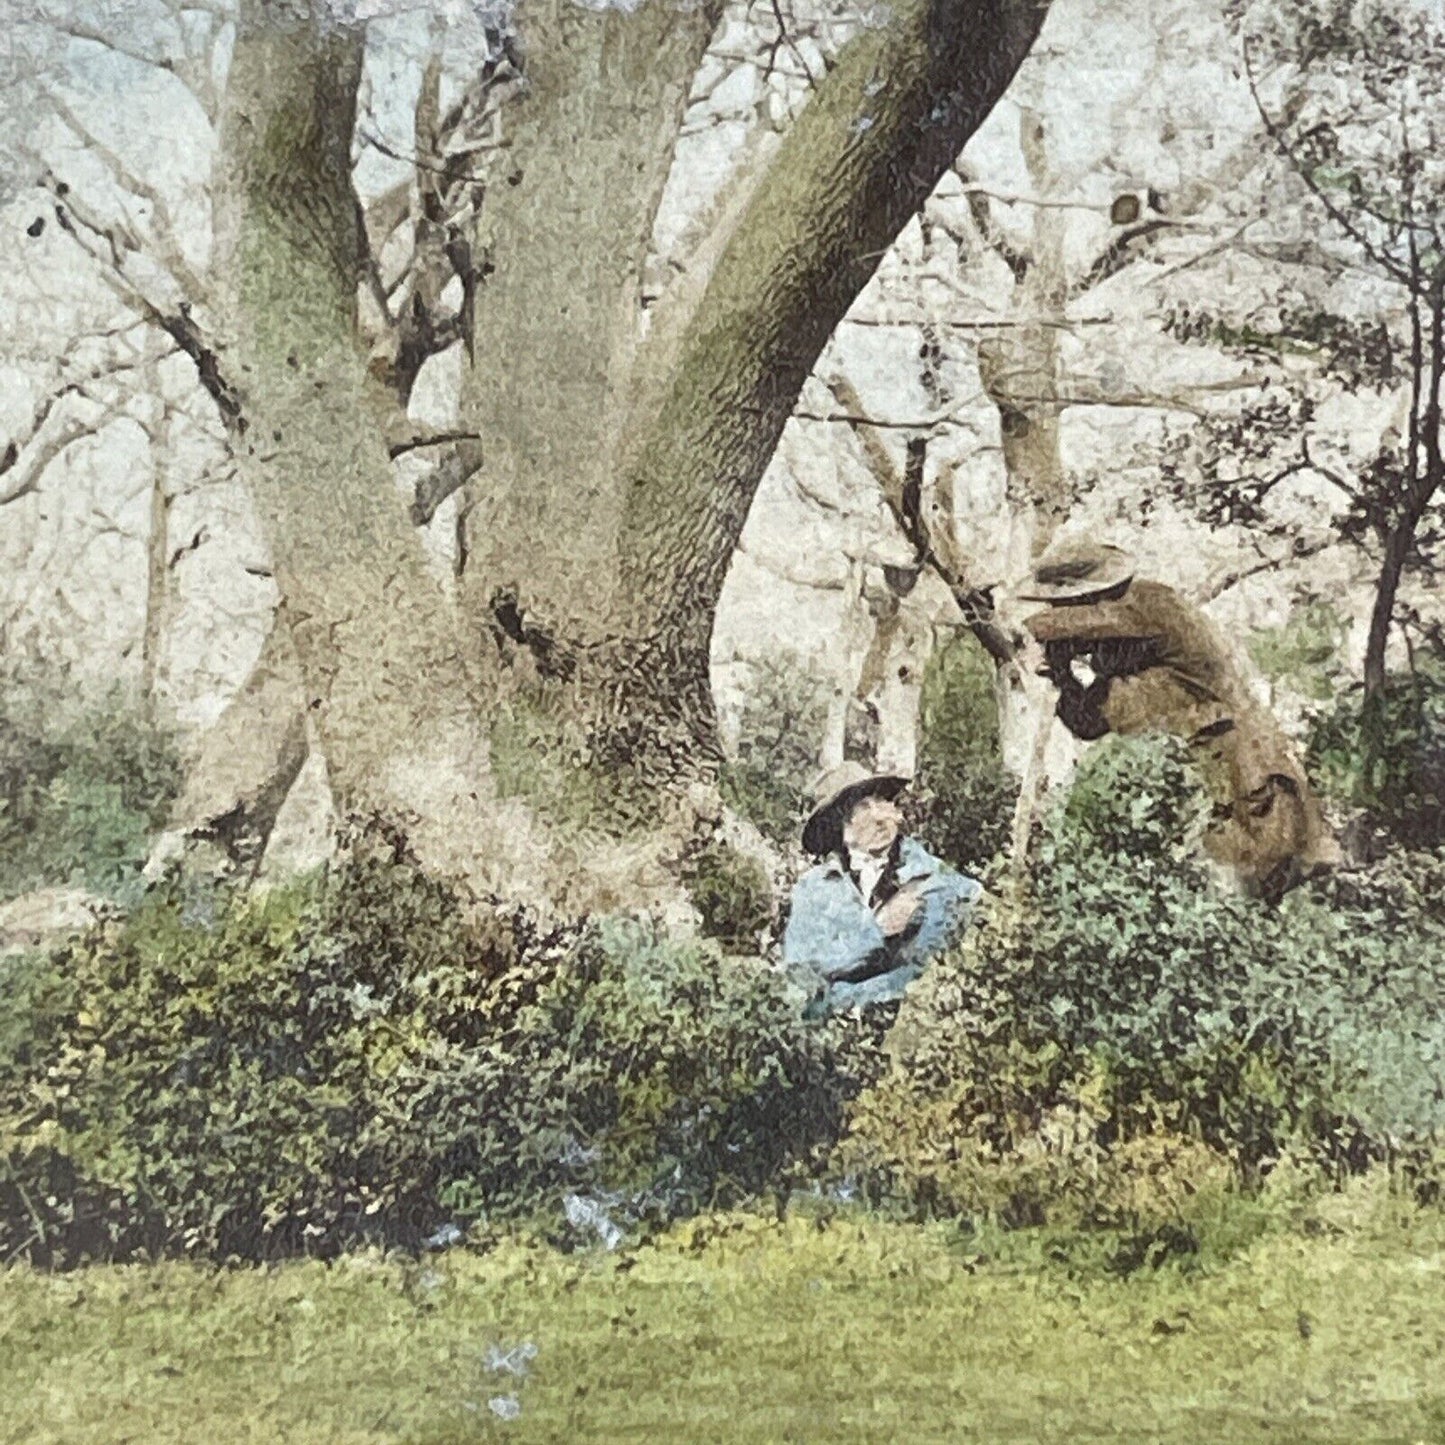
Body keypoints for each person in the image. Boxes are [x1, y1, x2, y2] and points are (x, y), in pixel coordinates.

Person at [1018, 537, 1340, 900]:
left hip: (1253, 787)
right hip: (1222, 793)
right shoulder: (1145, 670)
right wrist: (1060, 674)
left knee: (1259, 897)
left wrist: (1008, 627)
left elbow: (1058, 627)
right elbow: (1087, 721)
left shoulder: (1151, 606)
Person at [782, 761, 982, 1018]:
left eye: (883, 802)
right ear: (838, 826)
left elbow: (927, 971)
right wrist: (877, 930)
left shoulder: (931, 878)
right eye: (861, 807)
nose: (878, 817)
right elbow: (801, 970)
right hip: (828, 1038)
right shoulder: (814, 888)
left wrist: (844, 997)